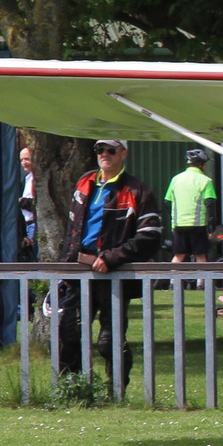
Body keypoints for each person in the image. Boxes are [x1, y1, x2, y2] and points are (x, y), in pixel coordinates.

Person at [57, 140, 162, 393]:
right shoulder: (84, 183)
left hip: (115, 273)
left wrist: (112, 258)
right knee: (69, 333)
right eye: (100, 150)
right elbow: (72, 231)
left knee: (109, 340)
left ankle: (117, 392)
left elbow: (151, 236)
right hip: (79, 270)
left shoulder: (138, 190)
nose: (104, 155)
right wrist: (66, 268)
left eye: (111, 150)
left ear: (123, 154)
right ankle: (72, 391)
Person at [165, 148, 219, 263]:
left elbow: (167, 202)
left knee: (178, 255)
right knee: (200, 256)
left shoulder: (175, 179)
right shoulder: (206, 181)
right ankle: (201, 281)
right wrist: (211, 227)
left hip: (178, 225)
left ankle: (173, 280)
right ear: (201, 165)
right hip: (198, 225)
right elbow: (210, 204)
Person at [16, 146, 37, 260]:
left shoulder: (37, 179)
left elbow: (37, 204)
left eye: (27, 159)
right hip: (27, 224)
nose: (24, 163)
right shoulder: (27, 178)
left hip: (35, 223)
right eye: (21, 160)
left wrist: (23, 202)